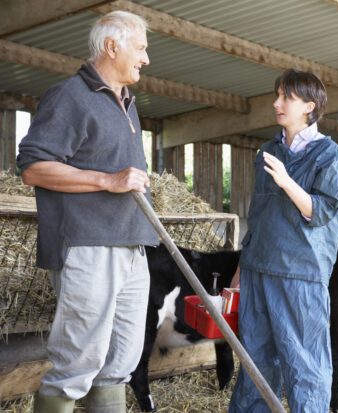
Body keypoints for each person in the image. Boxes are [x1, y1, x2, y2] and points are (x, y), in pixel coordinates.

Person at [16, 11, 158, 413]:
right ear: (112, 46)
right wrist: (107, 180)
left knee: (119, 362)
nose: (146, 59)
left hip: (132, 244)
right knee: (78, 360)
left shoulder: (128, 104)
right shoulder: (70, 96)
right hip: (88, 243)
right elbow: (32, 168)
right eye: (141, 48)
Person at [228, 69, 338, 413]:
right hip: (258, 268)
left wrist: (286, 181)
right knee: (255, 361)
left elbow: (323, 211)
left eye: (287, 97)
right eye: (278, 95)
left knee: (305, 365)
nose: (276, 103)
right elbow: (259, 215)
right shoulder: (268, 150)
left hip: (300, 273)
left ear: (309, 106)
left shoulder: (329, 155)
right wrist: (242, 265)